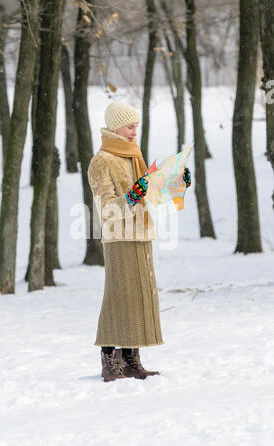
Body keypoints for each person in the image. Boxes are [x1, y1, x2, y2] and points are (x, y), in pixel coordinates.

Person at [87, 101, 191, 382]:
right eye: (130, 126)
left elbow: (150, 197)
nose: (135, 131)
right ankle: (110, 360)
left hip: (141, 232)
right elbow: (107, 207)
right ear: (115, 127)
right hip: (119, 236)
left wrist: (177, 184)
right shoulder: (102, 161)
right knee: (120, 295)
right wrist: (133, 195)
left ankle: (131, 359)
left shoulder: (134, 156)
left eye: (137, 126)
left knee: (139, 297)